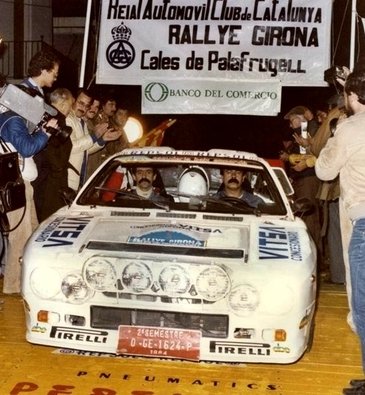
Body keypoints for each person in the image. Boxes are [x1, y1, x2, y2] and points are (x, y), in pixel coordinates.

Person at [315, 69, 365, 395]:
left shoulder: (349, 128)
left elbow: (324, 169)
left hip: (364, 222)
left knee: (362, 308)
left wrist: (334, 136)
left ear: (351, 97)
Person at [0, 80, 57, 293]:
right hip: (15, 184)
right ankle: (14, 286)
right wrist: (46, 133)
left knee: (31, 230)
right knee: (21, 236)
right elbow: (26, 148)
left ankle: (24, 281)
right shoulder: (13, 119)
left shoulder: (10, 118)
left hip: (18, 184)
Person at [280, 105, 323, 271]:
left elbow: (309, 157)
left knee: (309, 218)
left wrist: (289, 158)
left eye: (292, 120)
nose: (291, 125)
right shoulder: (307, 130)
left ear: (301, 117)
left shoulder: (308, 130)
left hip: (308, 179)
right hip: (305, 178)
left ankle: (315, 262)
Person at [21, 49, 60, 222]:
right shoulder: (23, 93)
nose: (56, 77)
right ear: (44, 70)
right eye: (54, 73)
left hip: (40, 155)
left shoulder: (39, 92)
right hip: (28, 157)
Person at [66, 89, 122, 192]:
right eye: (81, 103)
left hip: (79, 180)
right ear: (73, 100)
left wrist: (103, 140)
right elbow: (72, 147)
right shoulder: (68, 119)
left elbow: (85, 150)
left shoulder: (80, 121)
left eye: (86, 105)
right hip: (67, 180)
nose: (83, 108)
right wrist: (94, 136)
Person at [39, 88, 74, 221]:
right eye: (70, 106)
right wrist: (58, 170)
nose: (70, 110)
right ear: (64, 104)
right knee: (51, 217)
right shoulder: (56, 119)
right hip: (53, 180)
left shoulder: (47, 115)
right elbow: (50, 149)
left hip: (51, 176)